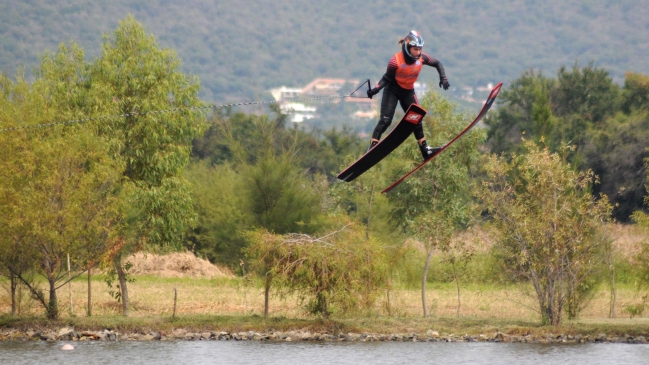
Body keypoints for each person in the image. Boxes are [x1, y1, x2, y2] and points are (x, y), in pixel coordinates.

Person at [366, 30, 451, 160]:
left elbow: (437, 63)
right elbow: (386, 78)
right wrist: (375, 89)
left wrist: (443, 77)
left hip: (408, 91)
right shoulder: (395, 61)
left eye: (420, 49)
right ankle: (372, 147)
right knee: (385, 120)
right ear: (407, 47)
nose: (418, 52)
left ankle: (425, 151)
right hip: (392, 90)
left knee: (416, 118)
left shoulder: (422, 58)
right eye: (415, 49)